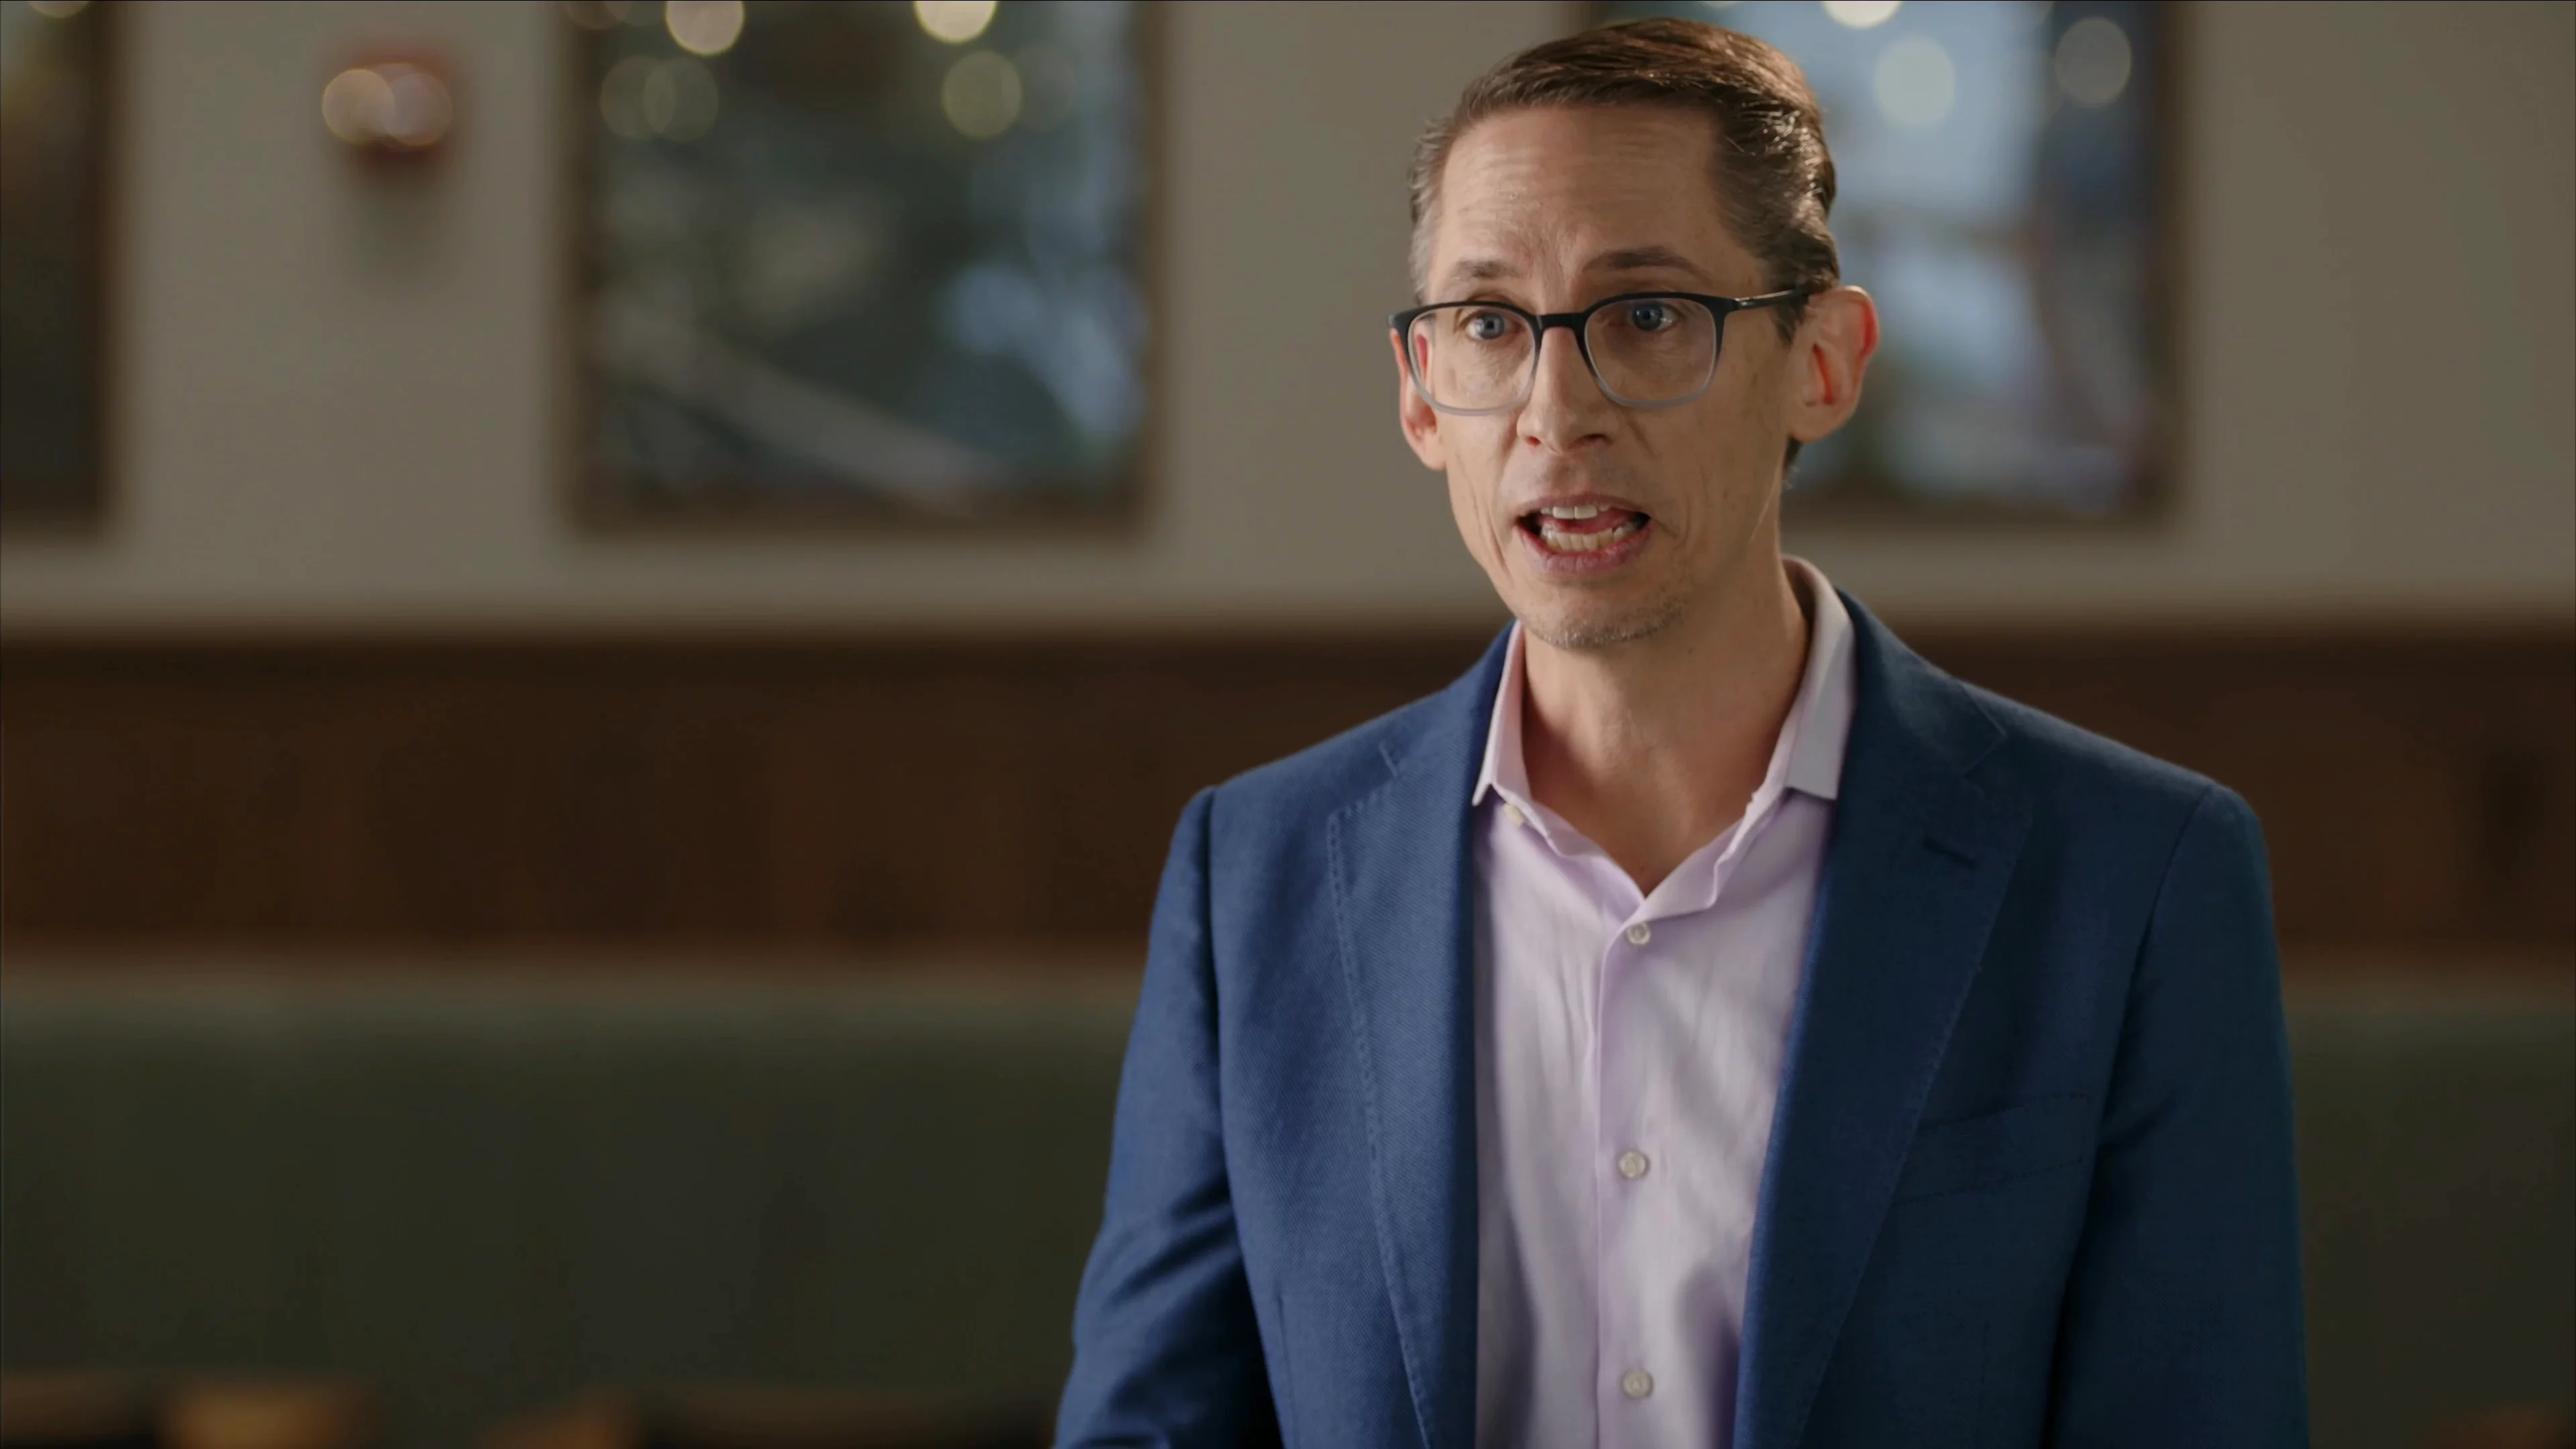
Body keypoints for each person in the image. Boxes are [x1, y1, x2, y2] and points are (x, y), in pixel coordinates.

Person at [1055, 17, 2307, 1449]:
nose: (1557, 412)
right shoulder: (1256, 877)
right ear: (1419, 394)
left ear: (1822, 363)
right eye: (1489, 324)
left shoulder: (2135, 879)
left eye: (1647, 317)